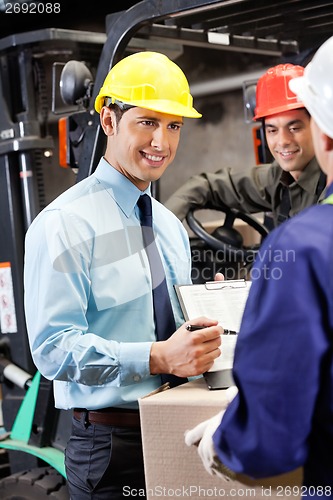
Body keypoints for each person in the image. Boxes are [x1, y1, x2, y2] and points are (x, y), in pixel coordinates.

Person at [23, 51, 223, 499]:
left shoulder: (168, 226)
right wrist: (157, 358)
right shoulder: (65, 224)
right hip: (111, 448)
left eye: (173, 126)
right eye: (148, 122)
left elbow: (172, 330)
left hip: (179, 423)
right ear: (109, 121)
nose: (162, 141)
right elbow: (54, 349)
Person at [185, 35, 333, 498]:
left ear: (323, 130)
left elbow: (275, 421)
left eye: (297, 126)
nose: (284, 141)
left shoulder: (305, 247)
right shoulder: (277, 184)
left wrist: (233, 436)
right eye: (272, 129)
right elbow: (213, 184)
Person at [165, 63, 327, 228]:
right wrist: (163, 226)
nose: (283, 140)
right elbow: (207, 185)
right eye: (272, 130)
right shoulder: (277, 178)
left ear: (318, 125)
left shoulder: (328, 188)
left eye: (294, 128)